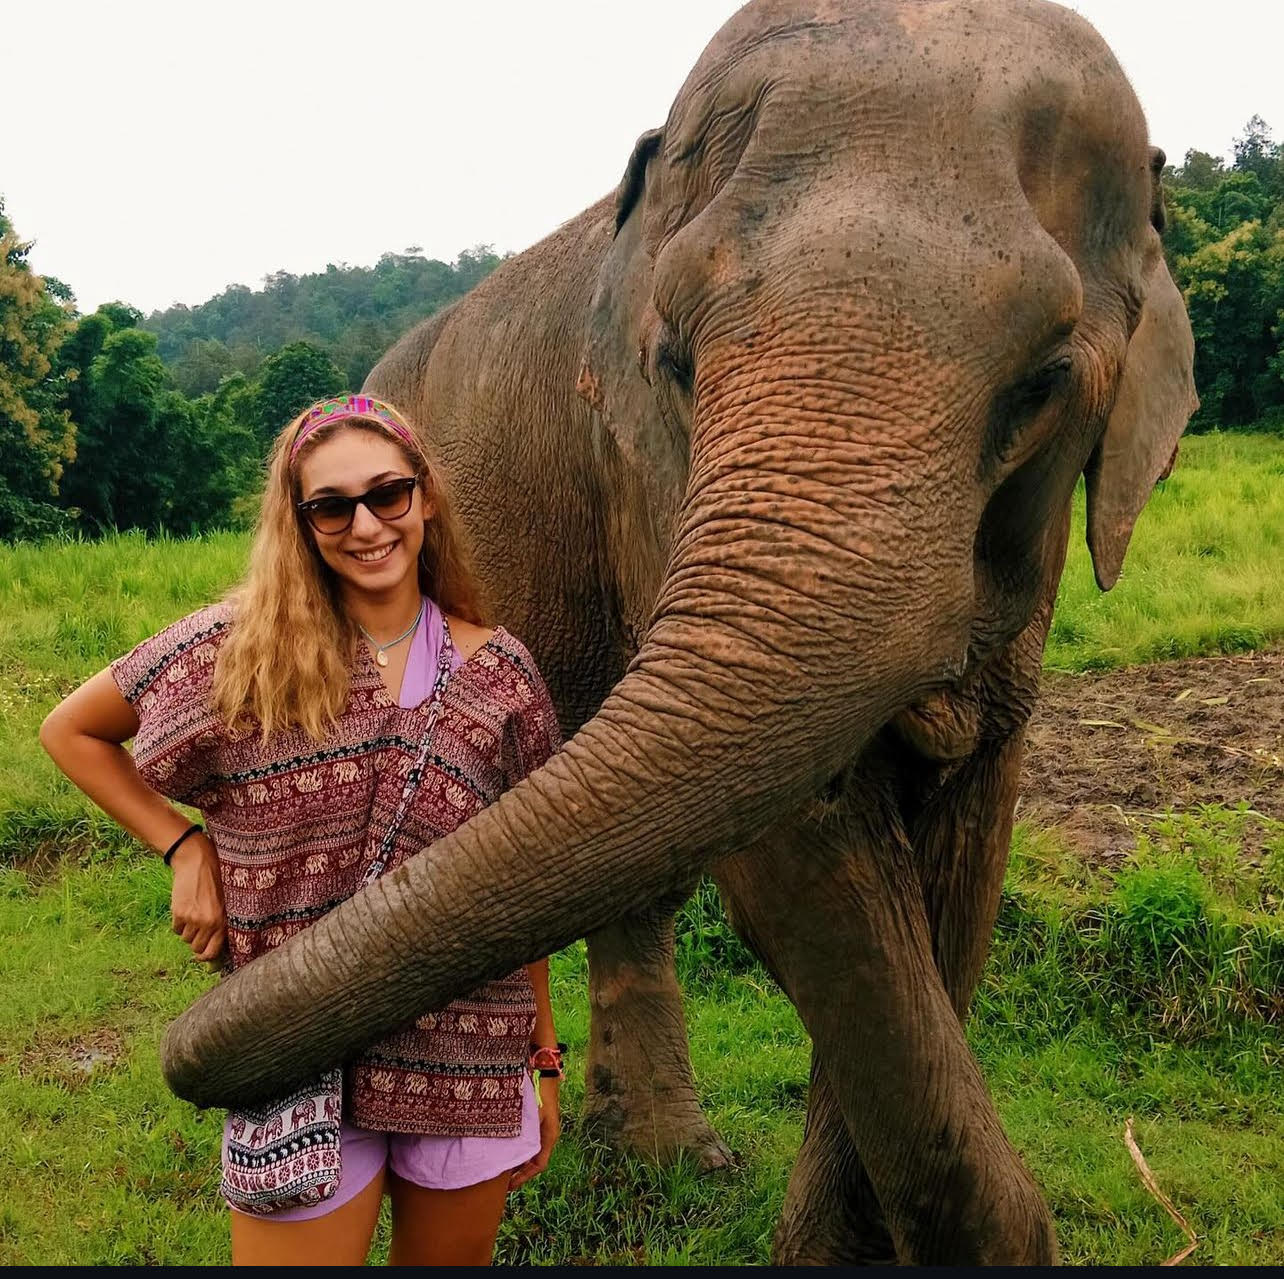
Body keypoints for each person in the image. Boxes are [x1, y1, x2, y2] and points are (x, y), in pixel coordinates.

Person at [40, 394, 564, 1266]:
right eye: (332, 506)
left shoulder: (501, 673)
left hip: (469, 1051)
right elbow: (71, 730)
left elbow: (527, 889)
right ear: (302, 522)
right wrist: (182, 844)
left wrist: (542, 1056)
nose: (366, 524)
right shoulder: (236, 653)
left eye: (387, 494)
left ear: (425, 498)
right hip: (296, 1050)